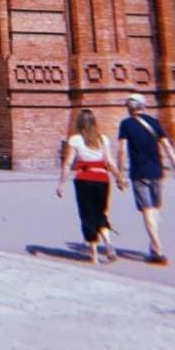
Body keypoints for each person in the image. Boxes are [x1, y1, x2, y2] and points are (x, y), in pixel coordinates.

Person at [116, 93, 175, 265]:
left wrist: (120, 173)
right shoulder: (155, 123)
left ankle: (157, 247)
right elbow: (167, 147)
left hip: (139, 173)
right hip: (157, 172)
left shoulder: (126, 124)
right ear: (144, 106)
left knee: (147, 210)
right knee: (154, 209)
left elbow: (122, 151)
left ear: (130, 108)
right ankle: (154, 246)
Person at [57, 108, 124, 264]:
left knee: (87, 214)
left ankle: (93, 255)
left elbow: (68, 163)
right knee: (101, 212)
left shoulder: (75, 140)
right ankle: (108, 243)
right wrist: (119, 177)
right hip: (102, 179)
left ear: (79, 123)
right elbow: (109, 162)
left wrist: (61, 183)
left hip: (84, 179)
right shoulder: (103, 139)